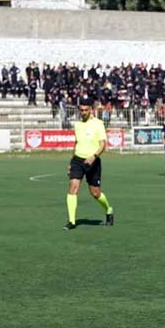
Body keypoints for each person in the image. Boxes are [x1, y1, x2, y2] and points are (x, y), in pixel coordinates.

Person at [65, 98, 114, 230]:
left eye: (86, 110)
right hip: (77, 160)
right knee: (73, 188)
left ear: (91, 110)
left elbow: (103, 144)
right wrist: (71, 161)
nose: (84, 112)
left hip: (93, 161)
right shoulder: (77, 125)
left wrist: (94, 156)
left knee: (95, 193)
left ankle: (109, 210)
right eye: (81, 110)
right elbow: (76, 143)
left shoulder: (98, 124)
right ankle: (72, 221)